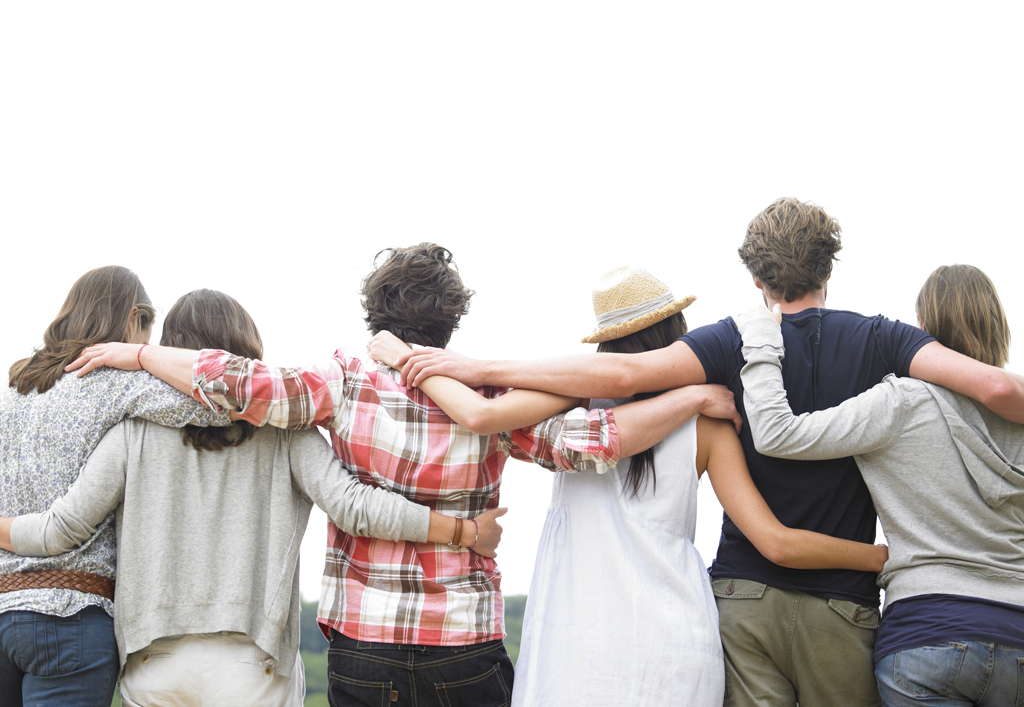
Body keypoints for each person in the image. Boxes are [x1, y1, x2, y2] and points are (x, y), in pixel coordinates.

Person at [388, 201, 1024, 706]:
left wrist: (466, 363)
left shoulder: (714, 349)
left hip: (688, 617)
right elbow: (994, 386)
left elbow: (615, 381)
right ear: (830, 267)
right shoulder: (881, 342)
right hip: (817, 609)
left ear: (755, 277)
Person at [66, 244, 742, 706]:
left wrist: (140, 355)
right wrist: (689, 396)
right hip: (464, 644)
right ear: (452, 319)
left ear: (375, 317)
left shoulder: (342, 383)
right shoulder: (498, 404)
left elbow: (238, 381)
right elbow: (597, 440)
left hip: (366, 646)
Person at [368, 265, 890, 706]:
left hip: (571, 645)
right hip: (674, 645)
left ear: (606, 346)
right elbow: (774, 541)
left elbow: (480, 413)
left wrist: (401, 355)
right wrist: (881, 557)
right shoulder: (705, 419)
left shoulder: (569, 409)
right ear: (676, 333)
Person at [0, 289, 507, 706]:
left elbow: (59, 529)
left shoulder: (132, 432)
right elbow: (355, 505)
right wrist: (463, 531)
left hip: (152, 663)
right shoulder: (285, 432)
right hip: (252, 665)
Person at [737, 264, 1024, 707]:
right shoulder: (1019, 415)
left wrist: (760, 339)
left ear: (924, 329)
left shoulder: (901, 402)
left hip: (926, 634)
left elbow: (778, 433)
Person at [0, 266, 231, 707]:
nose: (148, 344)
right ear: (132, 318)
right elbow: (224, 401)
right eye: (148, 332)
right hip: (70, 619)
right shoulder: (117, 383)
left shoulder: (16, 387)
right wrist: (142, 360)